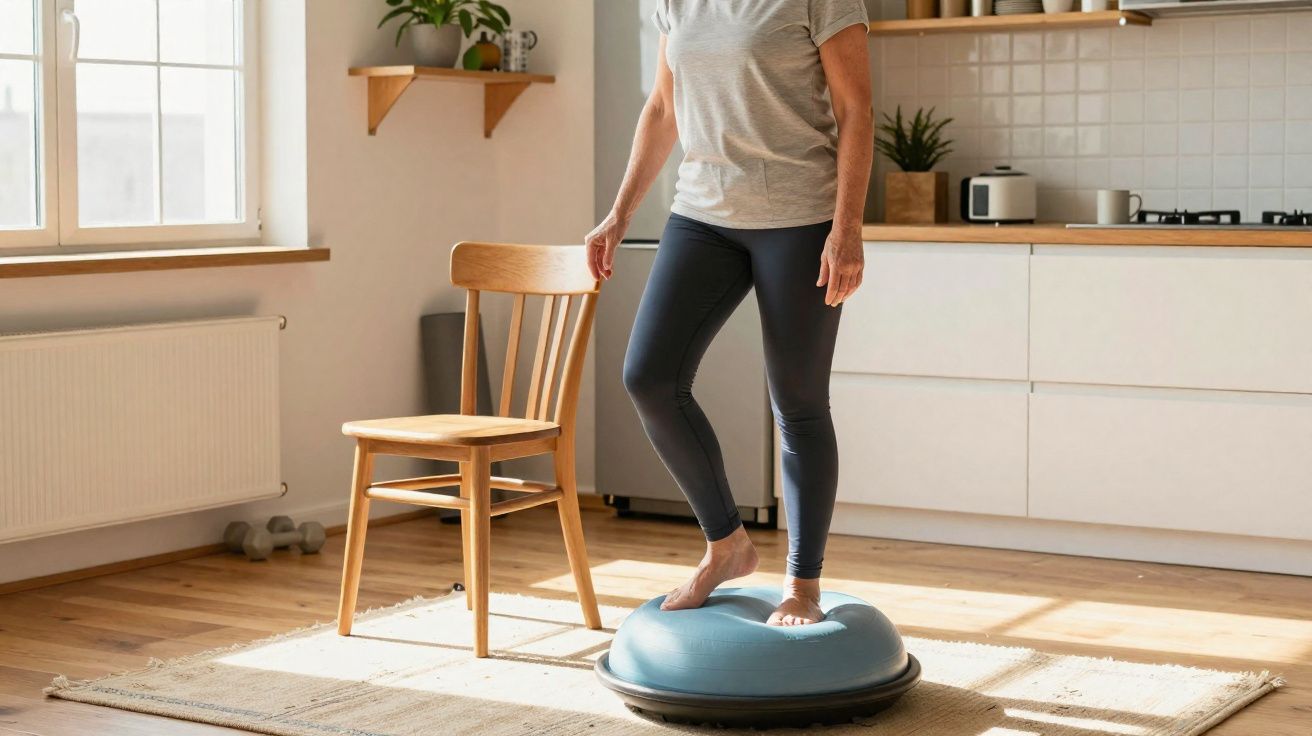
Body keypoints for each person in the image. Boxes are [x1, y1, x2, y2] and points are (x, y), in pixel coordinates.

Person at [584, 0, 874, 626]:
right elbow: (663, 108)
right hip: (703, 212)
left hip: (800, 217)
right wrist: (619, 214)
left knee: (797, 403)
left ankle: (803, 584)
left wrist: (846, 229)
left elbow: (856, 110)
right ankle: (726, 545)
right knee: (649, 377)